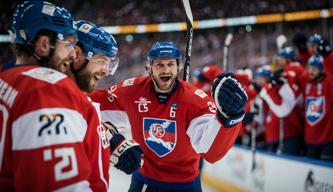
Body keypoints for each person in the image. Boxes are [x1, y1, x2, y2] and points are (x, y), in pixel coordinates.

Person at [0, 2, 139, 191]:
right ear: (43, 44)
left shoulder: (9, 79)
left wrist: (110, 138)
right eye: (68, 44)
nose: (72, 53)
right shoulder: (48, 90)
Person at [90, 41, 248, 191]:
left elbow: (211, 152)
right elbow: (90, 105)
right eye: (159, 64)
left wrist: (230, 118)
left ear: (178, 67)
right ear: (148, 67)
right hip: (144, 182)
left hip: (185, 187)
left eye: (170, 64)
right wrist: (111, 138)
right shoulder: (132, 91)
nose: (165, 70)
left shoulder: (195, 101)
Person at [73, 20, 143, 175]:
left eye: (109, 63)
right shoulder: (39, 91)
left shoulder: (82, 95)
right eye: (101, 60)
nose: (106, 71)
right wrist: (108, 136)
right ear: (76, 54)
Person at [259, 47, 305, 155]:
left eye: (282, 59)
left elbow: (287, 102)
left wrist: (271, 86)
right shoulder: (287, 72)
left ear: (289, 59)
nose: (279, 61)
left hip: (291, 126)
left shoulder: (293, 71)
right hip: (284, 128)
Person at [303, 54, 333, 161]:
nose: (310, 72)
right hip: (310, 142)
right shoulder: (307, 83)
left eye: (314, 69)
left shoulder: (328, 83)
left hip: (328, 141)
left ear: (323, 70)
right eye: (309, 68)